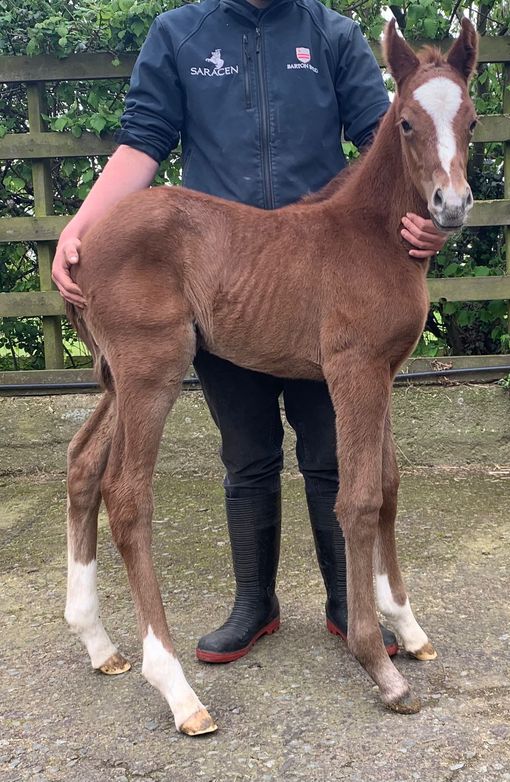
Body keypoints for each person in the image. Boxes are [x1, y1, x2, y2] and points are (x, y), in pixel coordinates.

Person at [53, 0, 446, 664]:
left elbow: (392, 137)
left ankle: (346, 601)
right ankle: (254, 603)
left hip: (327, 266)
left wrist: (431, 218)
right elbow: (143, 141)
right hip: (224, 270)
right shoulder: (181, 33)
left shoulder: (330, 34)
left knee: (331, 450)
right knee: (246, 451)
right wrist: (85, 224)